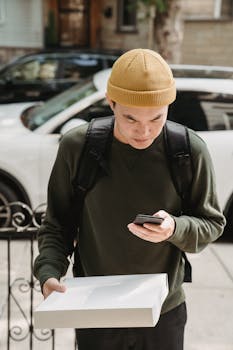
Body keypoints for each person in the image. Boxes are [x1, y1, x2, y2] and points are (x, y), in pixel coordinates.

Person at [34, 48, 226, 350]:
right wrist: (48, 272)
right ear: (111, 103)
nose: (144, 130)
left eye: (157, 117)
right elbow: (57, 226)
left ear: (169, 106)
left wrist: (174, 228)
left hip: (163, 312)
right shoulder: (78, 147)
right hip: (94, 309)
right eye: (130, 118)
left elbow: (212, 224)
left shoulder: (189, 150)